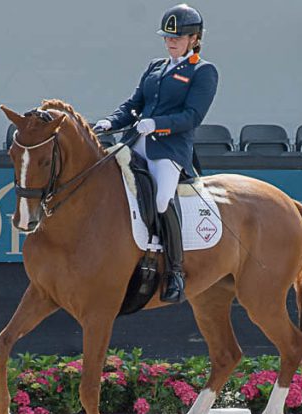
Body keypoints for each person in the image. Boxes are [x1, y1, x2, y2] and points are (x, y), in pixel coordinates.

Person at [95, 3, 219, 304]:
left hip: (169, 149)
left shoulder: (203, 71)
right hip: (136, 142)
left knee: (163, 199)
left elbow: (192, 116)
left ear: (194, 39)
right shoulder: (155, 67)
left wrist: (157, 124)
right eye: (167, 37)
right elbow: (133, 103)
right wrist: (111, 121)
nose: (170, 42)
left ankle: (175, 271)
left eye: (177, 38)